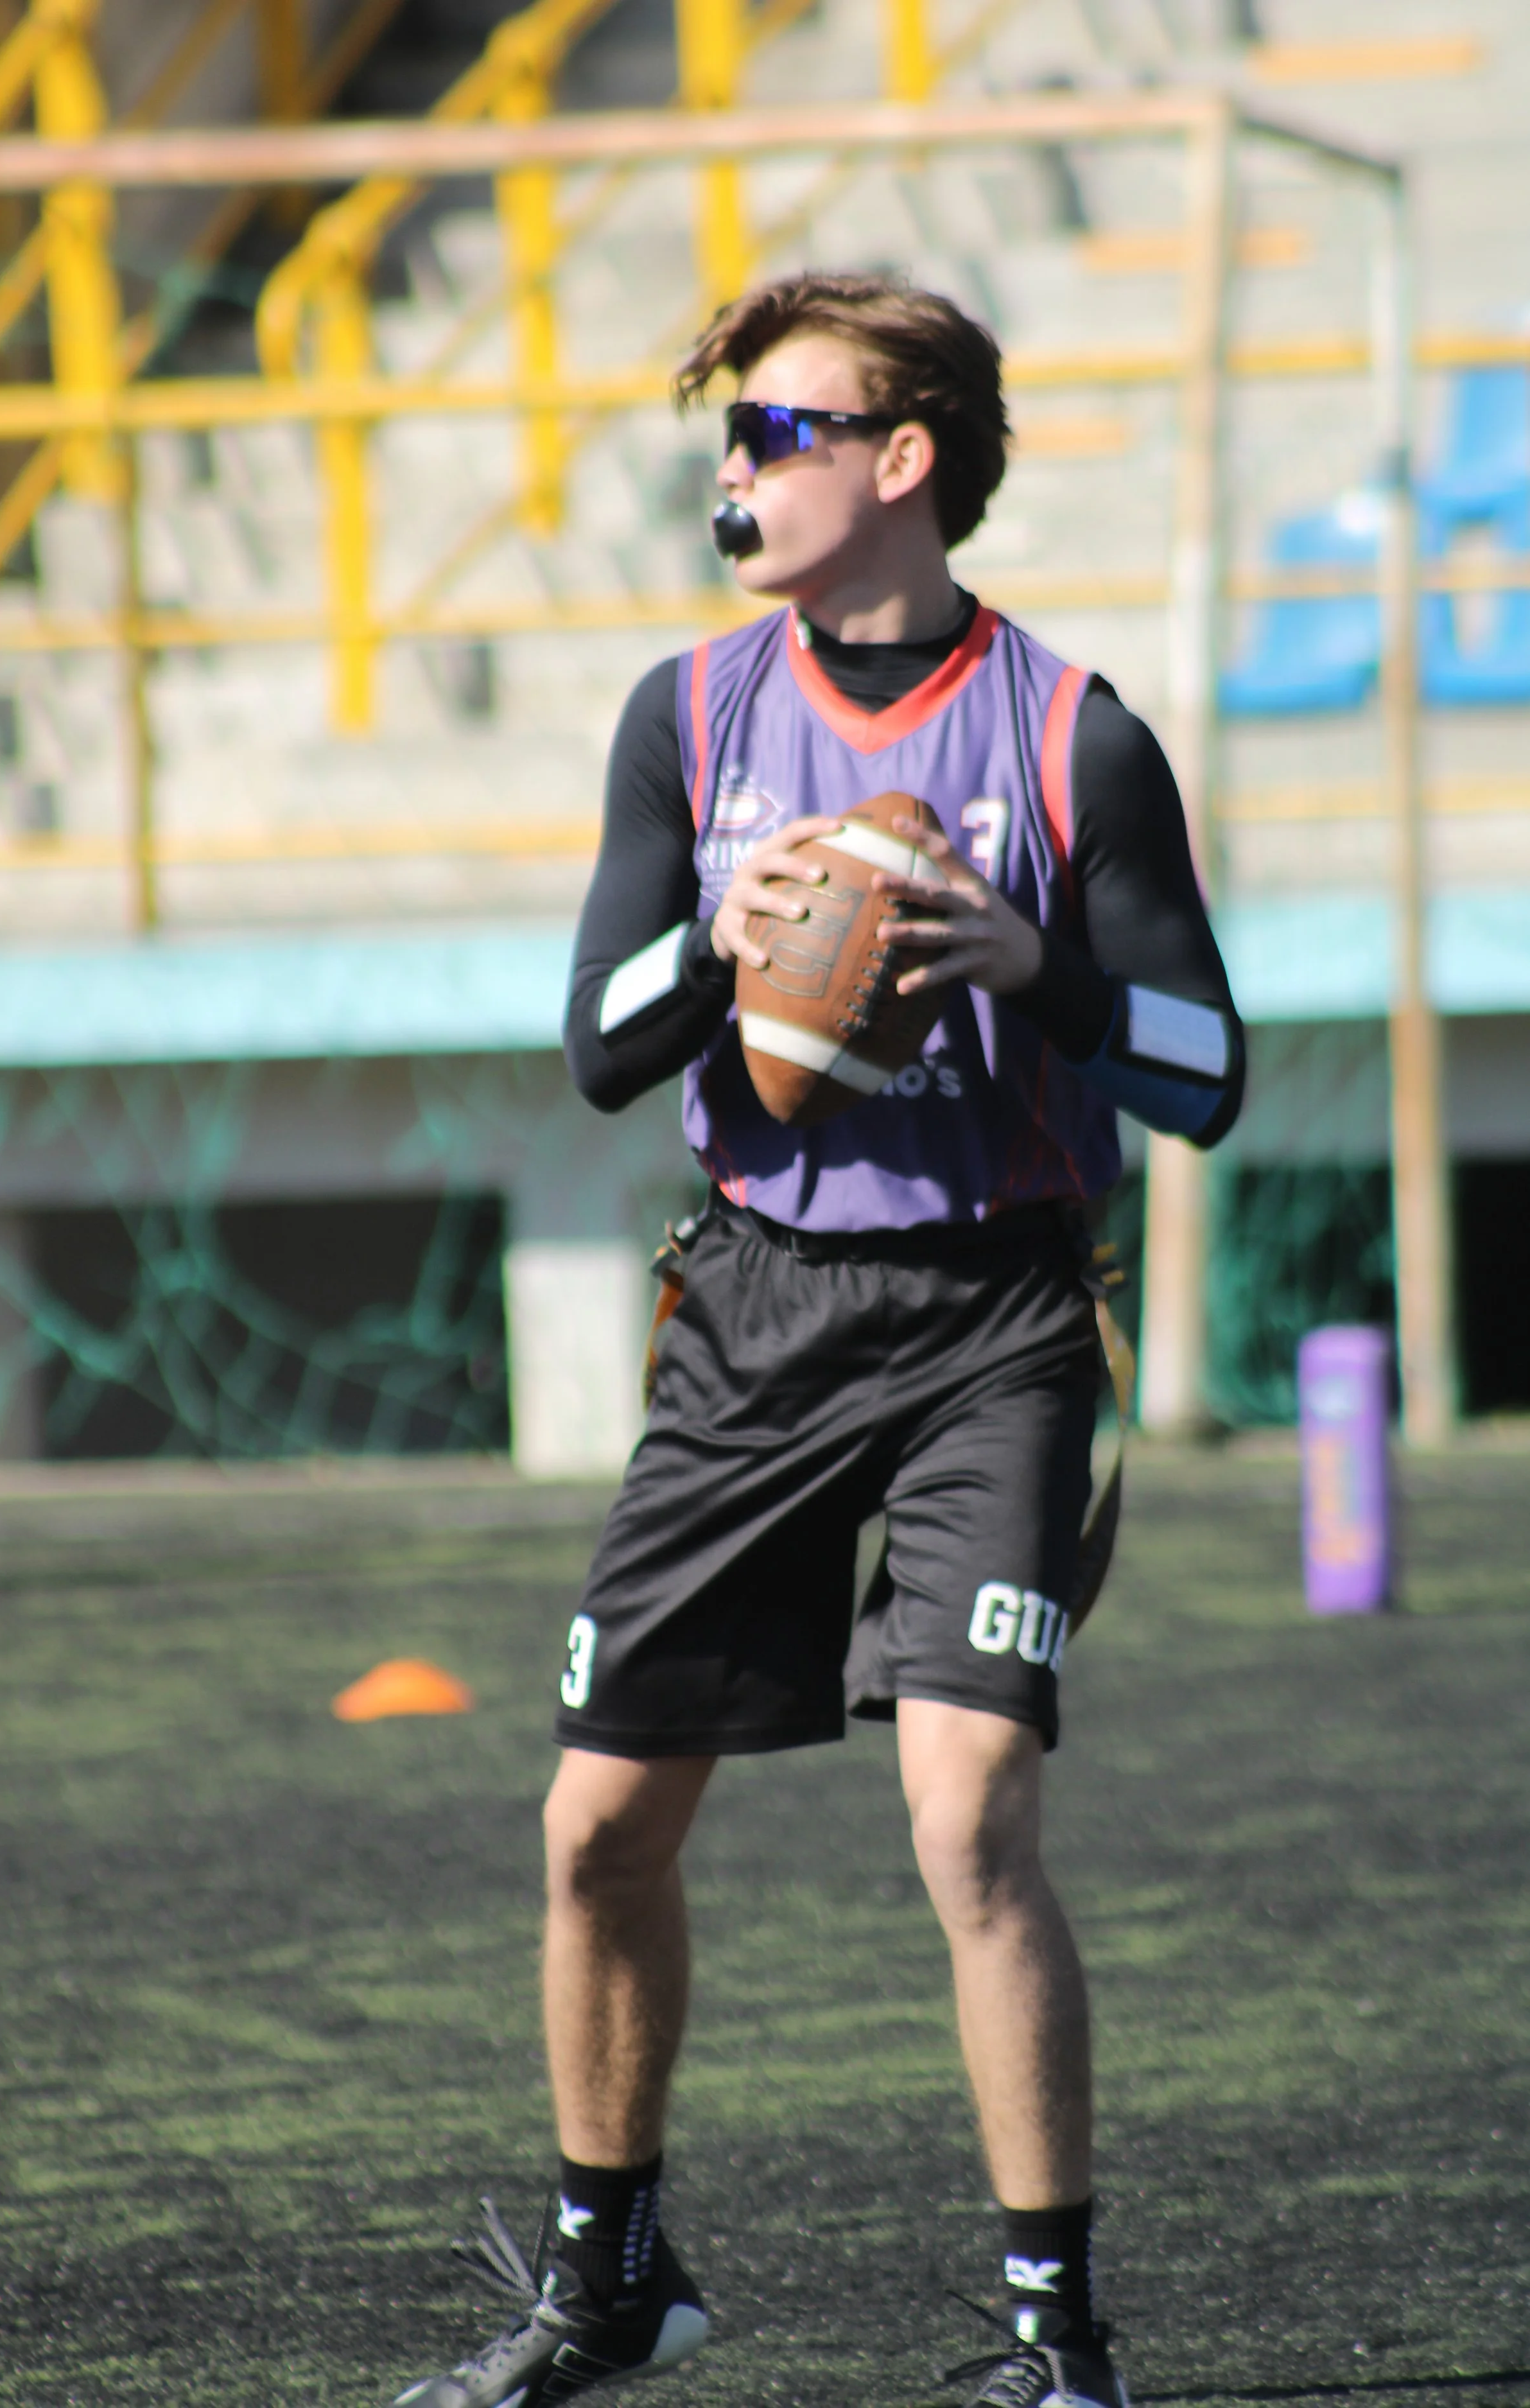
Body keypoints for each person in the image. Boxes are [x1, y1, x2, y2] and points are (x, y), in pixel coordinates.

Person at [392, 270, 1244, 2408]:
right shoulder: (686, 717)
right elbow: (597, 1049)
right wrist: (729, 919)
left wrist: (1028, 960)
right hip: (753, 1307)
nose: (738, 465)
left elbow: (1208, 1068)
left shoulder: (1072, 733)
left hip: (997, 1316)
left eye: (780, 428)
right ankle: (612, 2284)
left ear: (903, 461)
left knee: (968, 1816)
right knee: (595, 1829)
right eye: (731, 434)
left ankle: (1058, 2347)